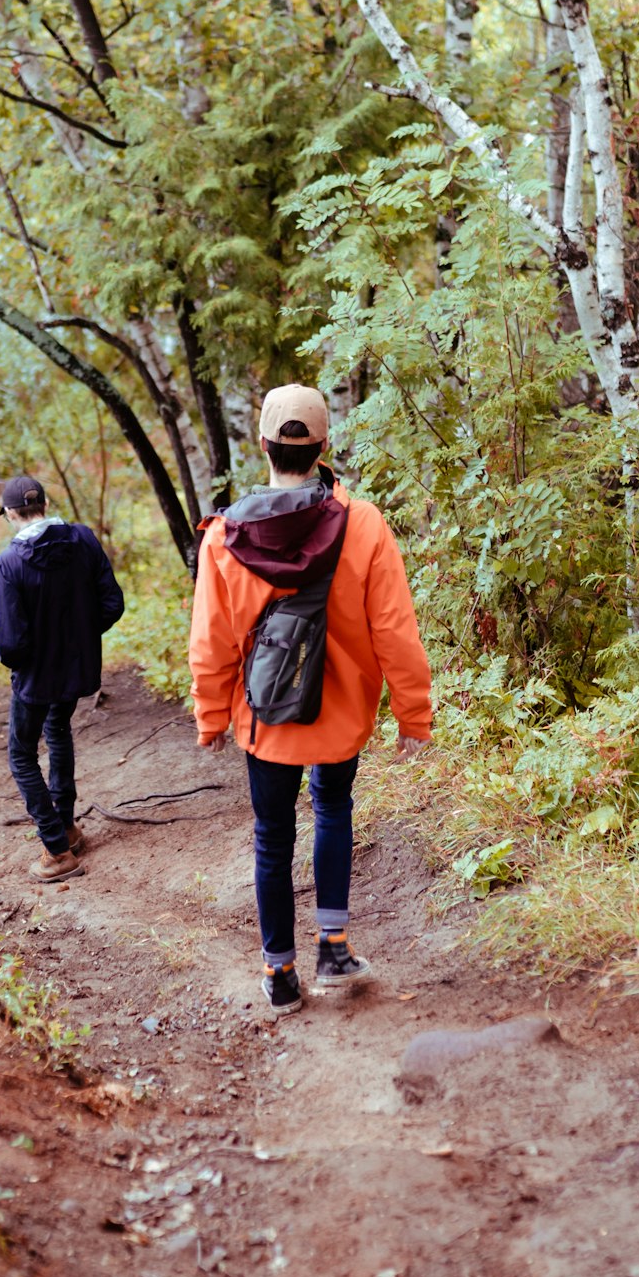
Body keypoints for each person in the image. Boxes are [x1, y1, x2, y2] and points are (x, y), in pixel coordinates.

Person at [188, 385, 432, 1016]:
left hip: (266, 717)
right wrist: (413, 713)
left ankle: (279, 974)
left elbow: (211, 641)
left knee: (271, 836)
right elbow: (395, 630)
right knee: (332, 806)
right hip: (340, 712)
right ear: (323, 448)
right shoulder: (365, 525)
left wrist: (212, 715)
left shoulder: (223, 536)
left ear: (262, 445)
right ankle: (333, 947)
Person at [0, 474, 124, 883]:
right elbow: (112, 603)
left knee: (21, 755)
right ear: (45, 505)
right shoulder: (82, 539)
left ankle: (56, 849)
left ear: (11, 513)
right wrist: (78, 640)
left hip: (35, 677)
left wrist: (34, 658)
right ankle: (65, 826)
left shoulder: (9, 563)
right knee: (59, 729)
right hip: (76, 668)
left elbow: (11, 643)